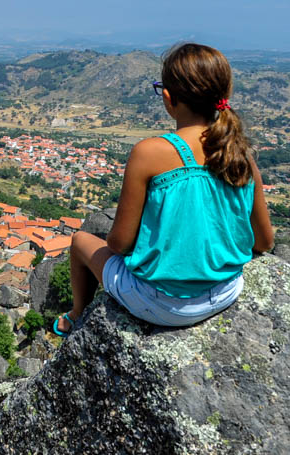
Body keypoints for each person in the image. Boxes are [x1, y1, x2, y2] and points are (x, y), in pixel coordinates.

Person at [54, 42, 274, 333]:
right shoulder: (240, 153)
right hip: (225, 293)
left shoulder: (149, 152)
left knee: (80, 241)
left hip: (159, 304)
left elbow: (119, 244)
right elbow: (264, 243)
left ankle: (76, 315)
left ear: (168, 98)